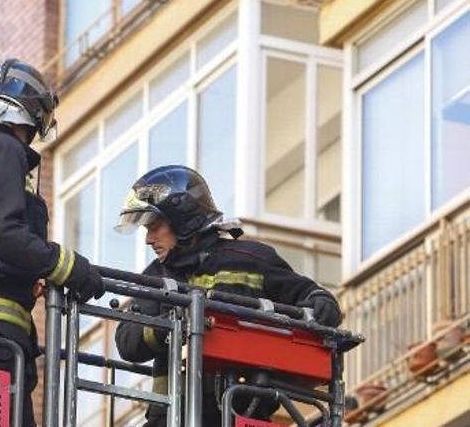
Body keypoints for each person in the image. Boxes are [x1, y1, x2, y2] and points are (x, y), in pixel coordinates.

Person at [0, 58, 105, 426]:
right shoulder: (3, 148)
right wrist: (69, 267)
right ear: (30, 112)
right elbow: (1, 233)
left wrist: (28, 277)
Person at [113, 165, 342, 427]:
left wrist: (323, 303)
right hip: (173, 417)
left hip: (244, 410)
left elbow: (308, 295)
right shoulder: (154, 278)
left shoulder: (252, 259)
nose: (149, 240)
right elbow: (126, 342)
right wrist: (171, 325)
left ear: (182, 218)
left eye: (154, 227)